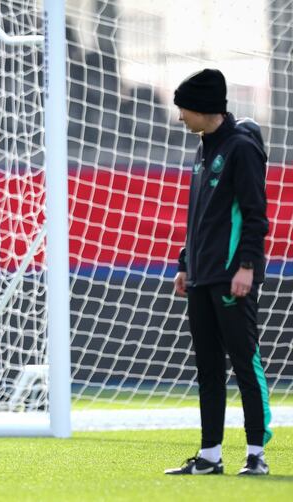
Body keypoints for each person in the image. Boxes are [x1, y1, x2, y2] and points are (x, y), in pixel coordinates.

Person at [165, 69, 272, 476]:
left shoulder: (241, 148)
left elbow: (255, 215)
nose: (180, 118)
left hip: (233, 276)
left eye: (184, 110)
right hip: (202, 275)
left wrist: (246, 266)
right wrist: (184, 262)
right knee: (207, 367)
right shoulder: (204, 147)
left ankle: (256, 454)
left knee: (245, 362)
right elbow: (201, 217)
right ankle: (210, 456)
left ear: (205, 109)